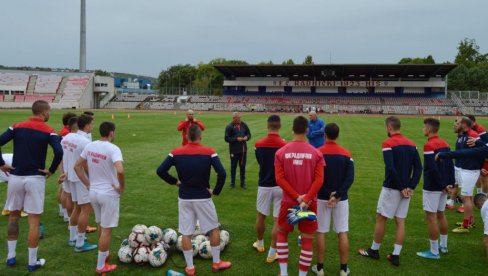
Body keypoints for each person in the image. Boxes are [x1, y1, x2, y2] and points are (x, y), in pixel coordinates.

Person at [157, 125, 231, 276]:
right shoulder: (209, 152)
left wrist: (175, 182)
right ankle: (216, 263)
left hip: (185, 197)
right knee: (214, 229)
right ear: (200, 137)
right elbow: (222, 174)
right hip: (203, 197)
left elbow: (160, 171)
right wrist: (215, 191)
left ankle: (190, 268)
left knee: (186, 232)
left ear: (186, 137)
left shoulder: (176, 152)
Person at [0, 100, 63, 272]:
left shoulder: (17, 126)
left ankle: (10, 257)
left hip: (15, 177)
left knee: (13, 216)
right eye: (49, 111)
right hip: (35, 178)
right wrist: (50, 170)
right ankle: (32, 262)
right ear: (44, 112)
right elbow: (59, 151)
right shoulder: (49, 131)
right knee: (34, 221)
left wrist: (1, 163)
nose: (49, 114)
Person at [358, 116, 422, 266]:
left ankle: (374, 250)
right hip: (406, 189)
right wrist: (410, 187)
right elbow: (418, 168)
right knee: (400, 221)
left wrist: (401, 187)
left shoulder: (388, 143)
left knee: (381, 218)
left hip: (393, 188)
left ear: (389, 127)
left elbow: (391, 168)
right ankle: (395, 255)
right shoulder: (412, 144)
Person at [274, 116, 325, 276]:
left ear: (292, 130)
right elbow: (320, 180)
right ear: (307, 130)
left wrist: (297, 197)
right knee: (307, 238)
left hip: (289, 201)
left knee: (282, 233)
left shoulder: (281, 152)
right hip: (309, 203)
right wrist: (307, 198)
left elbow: (279, 179)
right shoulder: (316, 153)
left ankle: (283, 273)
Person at [74, 122, 124, 274]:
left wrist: (87, 184)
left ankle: (105, 254)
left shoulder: (90, 146)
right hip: (108, 193)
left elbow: (77, 166)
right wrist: (122, 187)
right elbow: (120, 170)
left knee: (101, 225)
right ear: (111, 133)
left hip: (94, 192)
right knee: (107, 229)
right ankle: (101, 265)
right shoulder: (113, 148)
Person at [312, 123, 354, 276]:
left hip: (323, 198)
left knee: (321, 232)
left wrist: (329, 194)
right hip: (340, 200)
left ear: (325, 135)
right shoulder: (346, 154)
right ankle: (343, 269)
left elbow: (315, 178)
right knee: (342, 232)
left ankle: (320, 268)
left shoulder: (318, 153)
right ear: (338, 135)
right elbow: (350, 178)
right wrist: (337, 195)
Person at [416, 118, 454, 260]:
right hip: (444, 185)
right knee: (441, 214)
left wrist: (442, 184)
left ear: (429, 129)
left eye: (424, 127)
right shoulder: (445, 143)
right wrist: (450, 183)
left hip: (433, 186)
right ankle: (443, 246)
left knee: (431, 217)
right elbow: (450, 165)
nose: (423, 129)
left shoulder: (429, 145)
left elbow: (432, 168)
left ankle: (434, 251)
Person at [59, 114, 97, 252]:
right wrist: (91, 179)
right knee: (86, 209)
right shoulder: (85, 142)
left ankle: (73, 237)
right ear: (86, 125)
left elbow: (61, 156)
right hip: (80, 177)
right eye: (91, 124)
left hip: (69, 175)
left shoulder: (67, 137)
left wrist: (63, 172)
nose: (92, 126)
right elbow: (85, 164)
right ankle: (80, 243)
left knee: (77, 207)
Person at [253, 115, 286, 263]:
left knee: (261, 216)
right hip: (280, 185)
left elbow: (260, 162)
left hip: (264, 184)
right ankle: (272, 253)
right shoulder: (285, 145)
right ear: (279, 126)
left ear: (268, 126)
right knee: (277, 220)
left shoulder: (258, 144)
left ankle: (260, 244)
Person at [450, 117, 483, 232]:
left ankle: (465, 226)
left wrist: (483, 167)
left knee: (465, 197)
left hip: (470, 170)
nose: (454, 124)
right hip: (464, 169)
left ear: (463, 125)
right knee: (467, 196)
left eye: (457, 122)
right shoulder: (462, 135)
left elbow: (483, 151)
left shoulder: (472, 135)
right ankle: (470, 221)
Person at [59, 117, 79, 226]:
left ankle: (68, 218)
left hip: (66, 171)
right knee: (80, 205)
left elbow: (60, 156)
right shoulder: (80, 140)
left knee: (67, 194)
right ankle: (75, 230)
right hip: (75, 174)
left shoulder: (65, 138)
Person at [224, 112, 251, 189]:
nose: (240, 119)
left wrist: (246, 137)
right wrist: (236, 139)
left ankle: (243, 183)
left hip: (243, 150)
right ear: (234, 118)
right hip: (234, 150)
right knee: (233, 166)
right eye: (238, 118)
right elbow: (226, 138)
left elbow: (249, 134)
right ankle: (232, 183)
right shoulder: (229, 127)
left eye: (240, 118)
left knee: (242, 166)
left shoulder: (244, 125)